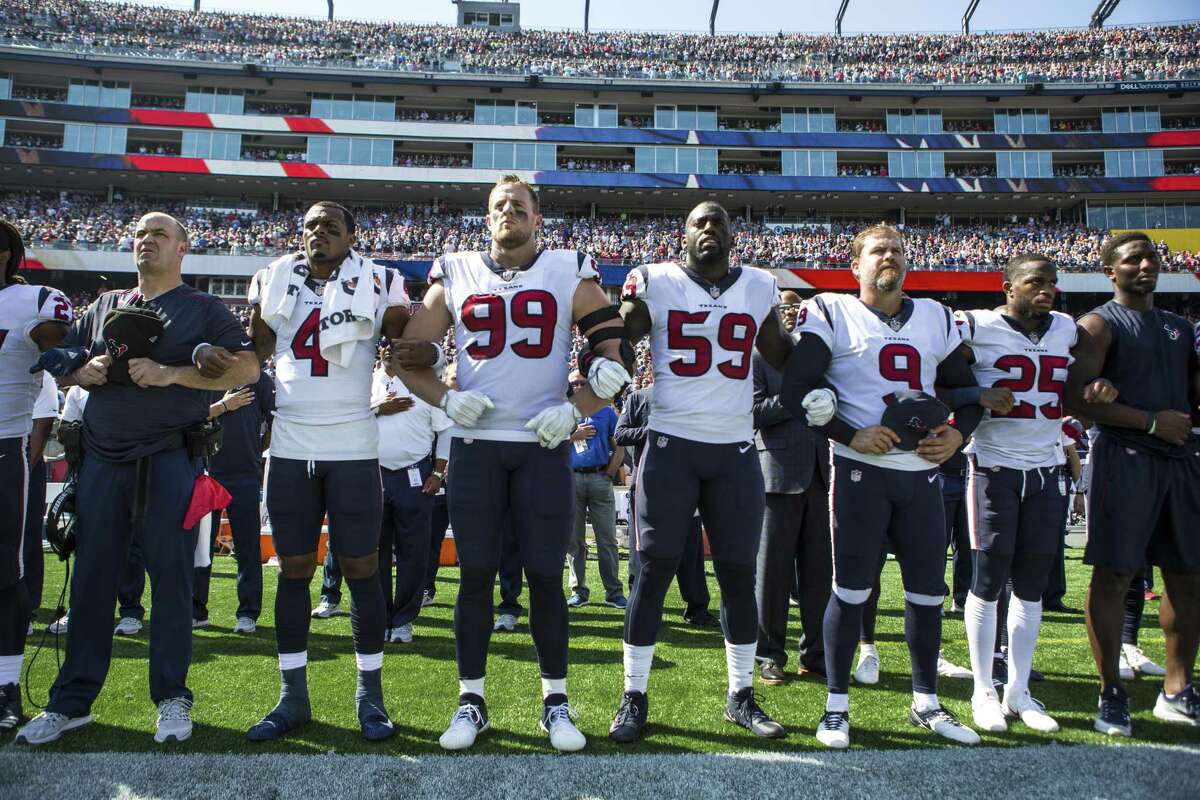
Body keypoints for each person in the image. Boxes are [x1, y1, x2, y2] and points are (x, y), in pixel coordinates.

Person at [391, 175, 632, 753]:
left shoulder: (567, 270)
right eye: (500, 206)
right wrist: (445, 399)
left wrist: (576, 407)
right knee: (474, 575)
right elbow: (405, 357)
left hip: (541, 446)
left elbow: (614, 358)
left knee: (547, 576)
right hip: (476, 445)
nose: (509, 213)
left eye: (519, 206)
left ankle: (556, 702)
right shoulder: (456, 270)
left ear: (537, 218)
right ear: (487, 217)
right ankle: (471, 699)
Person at [17, 212, 259, 745]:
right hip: (101, 461)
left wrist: (172, 374)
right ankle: (71, 702)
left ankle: (172, 697)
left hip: (170, 459)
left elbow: (248, 368)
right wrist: (80, 371)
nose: (146, 241)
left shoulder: (204, 307)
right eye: (139, 235)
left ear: (182, 249)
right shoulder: (106, 305)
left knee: (171, 583)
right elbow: (57, 358)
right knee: (90, 582)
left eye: (158, 235)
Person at [609, 201, 833, 743]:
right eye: (698, 222)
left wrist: (819, 379)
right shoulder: (657, 280)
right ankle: (633, 694)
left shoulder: (759, 285)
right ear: (682, 234)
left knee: (736, 573)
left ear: (734, 234)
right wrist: (611, 341)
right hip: (670, 445)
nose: (710, 228)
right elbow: (623, 338)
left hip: (734, 449)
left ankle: (741, 695)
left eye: (719, 222)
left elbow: (779, 355)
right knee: (654, 569)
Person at [781, 223, 986, 749]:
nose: (888, 257)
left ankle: (927, 702)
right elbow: (798, 389)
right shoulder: (830, 311)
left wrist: (958, 437)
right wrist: (851, 433)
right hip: (859, 472)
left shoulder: (937, 317)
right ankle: (835, 705)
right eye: (877, 250)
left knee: (926, 594)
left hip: (920, 475)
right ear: (856, 266)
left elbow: (968, 393)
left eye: (896, 249)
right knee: (850, 590)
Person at [245, 201, 410, 742]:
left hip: (353, 444)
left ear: (352, 236)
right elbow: (258, 352)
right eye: (311, 225)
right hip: (292, 443)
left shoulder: (382, 278)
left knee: (362, 567)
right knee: (294, 568)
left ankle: (370, 697)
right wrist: (255, 314)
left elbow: (401, 344)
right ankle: (292, 696)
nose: (319, 232)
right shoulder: (272, 276)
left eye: (331, 225)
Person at [952, 253, 1116, 735]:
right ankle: (983, 687)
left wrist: (1097, 390)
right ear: (1008, 287)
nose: (1046, 289)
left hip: (1047, 470)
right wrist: (973, 397)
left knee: (1032, 583)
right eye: (1035, 282)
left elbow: (1079, 386)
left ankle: (1018, 689)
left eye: (1052, 282)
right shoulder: (975, 326)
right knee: (987, 578)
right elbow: (941, 376)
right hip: (993, 467)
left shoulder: (1067, 329)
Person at [1064, 231, 1200, 735]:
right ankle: (1111, 693)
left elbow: (1189, 398)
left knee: (1188, 575)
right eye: (1133, 259)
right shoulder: (1098, 325)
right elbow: (1077, 401)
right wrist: (1147, 421)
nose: (1145, 266)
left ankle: (1176, 688)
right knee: (1116, 576)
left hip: (1181, 462)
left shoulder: (1179, 327)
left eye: (1152, 258)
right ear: (1110, 271)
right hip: (1126, 458)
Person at [0, 221, 72, 732]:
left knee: (7, 571)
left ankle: (4, 685)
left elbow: (55, 341)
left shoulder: (34, 300)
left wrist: (55, 346)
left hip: (4, 446)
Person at [751, 291, 831, 684]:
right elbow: (752, 412)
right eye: (785, 308)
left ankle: (815, 655)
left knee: (818, 574)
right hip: (777, 473)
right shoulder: (758, 356)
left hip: (819, 473)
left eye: (798, 308)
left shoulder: (819, 358)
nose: (792, 314)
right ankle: (769, 655)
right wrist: (794, 399)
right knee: (773, 575)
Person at [615, 379, 717, 628]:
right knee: (642, 549)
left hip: (688, 482)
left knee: (691, 551)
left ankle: (697, 608)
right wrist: (652, 430)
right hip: (648, 483)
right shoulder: (638, 397)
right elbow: (620, 435)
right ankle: (640, 607)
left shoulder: (694, 396)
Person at [370, 351, 451, 643]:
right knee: (374, 552)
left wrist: (439, 474)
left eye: (399, 344)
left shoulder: (425, 385)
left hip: (415, 474)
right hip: (373, 474)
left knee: (413, 552)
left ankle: (403, 619)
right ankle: (378, 617)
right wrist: (378, 408)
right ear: (380, 349)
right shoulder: (365, 383)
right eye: (387, 343)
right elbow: (348, 419)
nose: (391, 349)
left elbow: (446, 431)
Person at [193, 371, 275, 632]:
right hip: (207, 472)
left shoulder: (259, 379)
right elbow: (189, 417)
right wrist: (223, 406)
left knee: (248, 546)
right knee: (201, 547)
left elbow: (275, 422)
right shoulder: (203, 374)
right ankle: (196, 611)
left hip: (245, 474)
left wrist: (256, 449)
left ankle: (248, 613)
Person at [565, 370, 626, 610]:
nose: (578, 386)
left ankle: (614, 593)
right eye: (574, 383)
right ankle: (579, 591)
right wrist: (574, 436)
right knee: (574, 540)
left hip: (600, 477)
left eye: (582, 382)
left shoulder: (606, 411)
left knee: (607, 539)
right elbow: (549, 441)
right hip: (571, 478)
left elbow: (619, 444)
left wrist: (610, 472)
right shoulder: (563, 411)